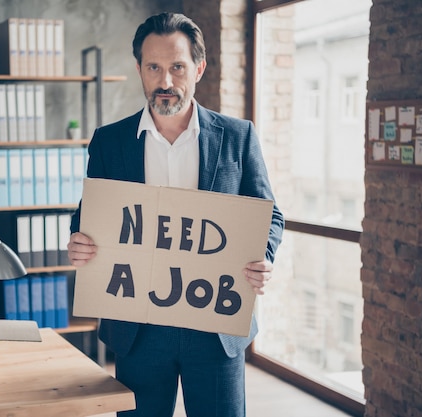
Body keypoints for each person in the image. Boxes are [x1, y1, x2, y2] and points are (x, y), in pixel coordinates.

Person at [68, 12, 284, 417]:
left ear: (198, 68)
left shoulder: (239, 137)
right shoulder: (109, 142)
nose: (165, 82)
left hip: (216, 326)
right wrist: (79, 240)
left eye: (177, 67)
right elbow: (89, 216)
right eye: (154, 67)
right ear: (139, 70)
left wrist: (264, 256)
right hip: (139, 328)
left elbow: (270, 215)